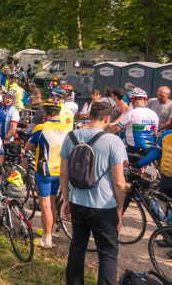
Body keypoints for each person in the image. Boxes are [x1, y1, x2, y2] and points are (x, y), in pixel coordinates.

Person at [60, 101, 127, 285]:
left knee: (77, 247)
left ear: (89, 116)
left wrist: (66, 200)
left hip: (77, 202)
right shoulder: (113, 141)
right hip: (103, 205)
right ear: (107, 118)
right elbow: (120, 182)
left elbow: (63, 173)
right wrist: (120, 207)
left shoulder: (71, 136)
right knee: (107, 253)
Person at [25, 99, 70, 249]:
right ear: (59, 113)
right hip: (62, 171)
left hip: (45, 171)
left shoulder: (41, 127)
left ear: (44, 113)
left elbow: (28, 146)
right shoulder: (67, 128)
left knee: (45, 206)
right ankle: (47, 231)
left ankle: (47, 239)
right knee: (52, 203)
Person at [109, 87, 158, 161]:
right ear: (145, 100)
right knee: (143, 168)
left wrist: (104, 134)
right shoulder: (154, 114)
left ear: (132, 100)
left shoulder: (131, 113)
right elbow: (155, 132)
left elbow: (116, 128)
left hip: (134, 148)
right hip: (149, 148)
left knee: (126, 166)